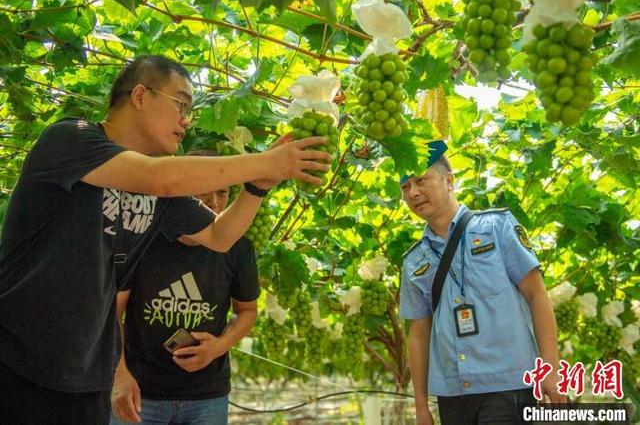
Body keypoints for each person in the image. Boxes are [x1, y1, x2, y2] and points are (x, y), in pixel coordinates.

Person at [0, 55, 329, 424]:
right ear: (140, 95)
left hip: (88, 379)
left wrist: (257, 187)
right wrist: (266, 161)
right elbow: (160, 177)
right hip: (17, 363)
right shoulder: (69, 138)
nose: (186, 120)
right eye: (181, 104)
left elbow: (220, 237)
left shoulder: (159, 196)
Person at [399, 140, 565, 425]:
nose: (413, 192)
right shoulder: (414, 260)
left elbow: (537, 295)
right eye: (405, 188)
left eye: (420, 180)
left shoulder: (497, 227)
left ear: (449, 181)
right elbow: (419, 334)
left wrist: (551, 369)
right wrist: (421, 407)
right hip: (452, 392)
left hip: (507, 385)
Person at [111, 155, 258, 424]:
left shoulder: (237, 248)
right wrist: (119, 375)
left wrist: (219, 346)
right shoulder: (142, 241)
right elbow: (112, 313)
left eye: (223, 192)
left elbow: (247, 311)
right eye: (204, 189)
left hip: (207, 396)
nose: (214, 201)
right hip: (140, 393)